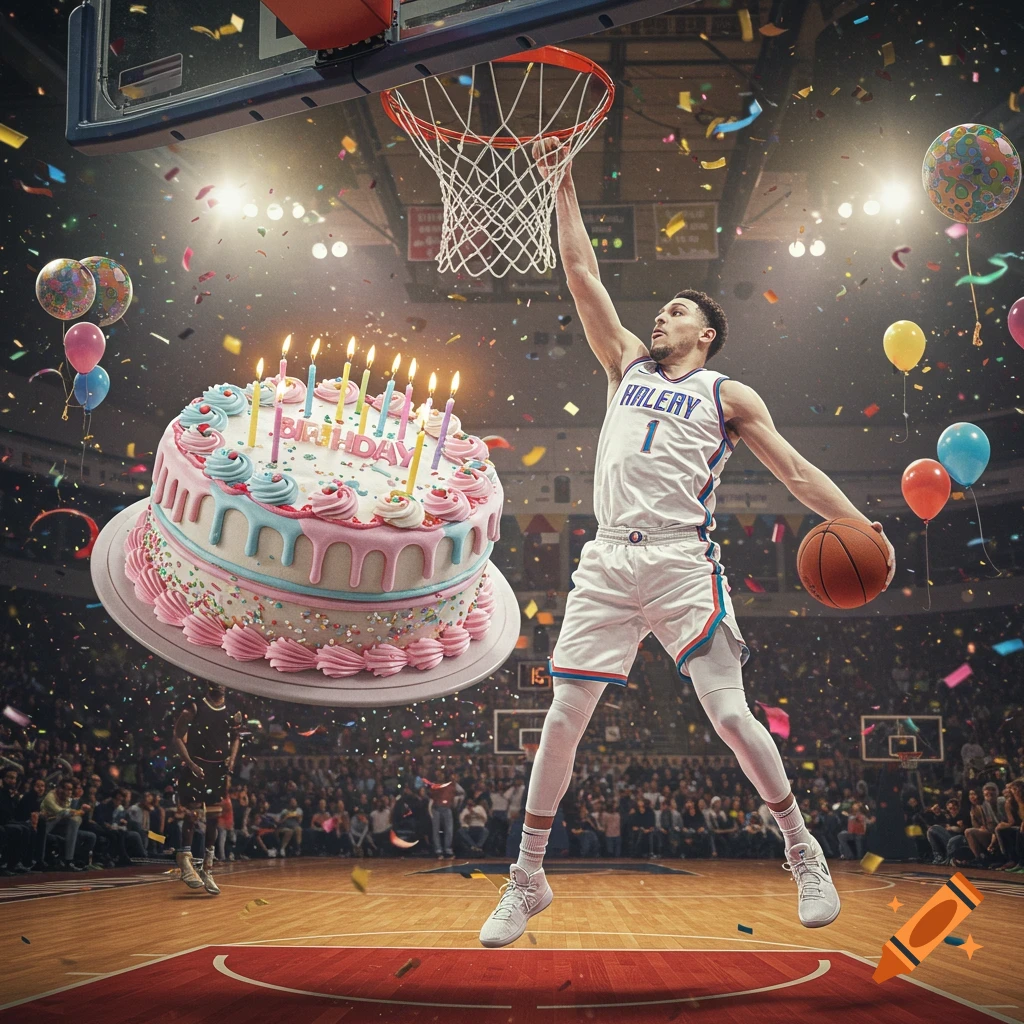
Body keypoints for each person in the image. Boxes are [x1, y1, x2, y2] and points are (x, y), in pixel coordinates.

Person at [477, 140, 896, 948]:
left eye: (675, 311)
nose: (660, 317)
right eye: (661, 311)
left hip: (680, 559)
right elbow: (581, 272)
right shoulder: (625, 365)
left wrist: (856, 524)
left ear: (705, 333)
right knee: (562, 717)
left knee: (732, 715)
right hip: (607, 558)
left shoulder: (727, 394)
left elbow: (796, 472)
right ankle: (526, 879)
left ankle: (803, 851)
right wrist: (561, 186)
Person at [171, 682, 240, 894]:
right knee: (192, 815)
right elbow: (177, 735)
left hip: (217, 770)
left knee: (213, 820)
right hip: (196, 766)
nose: (220, 684)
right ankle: (184, 860)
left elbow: (236, 737)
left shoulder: (232, 711)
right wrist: (190, 764)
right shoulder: (194, 707)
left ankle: (207, 869)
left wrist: (232, 759)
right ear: (208, 681)